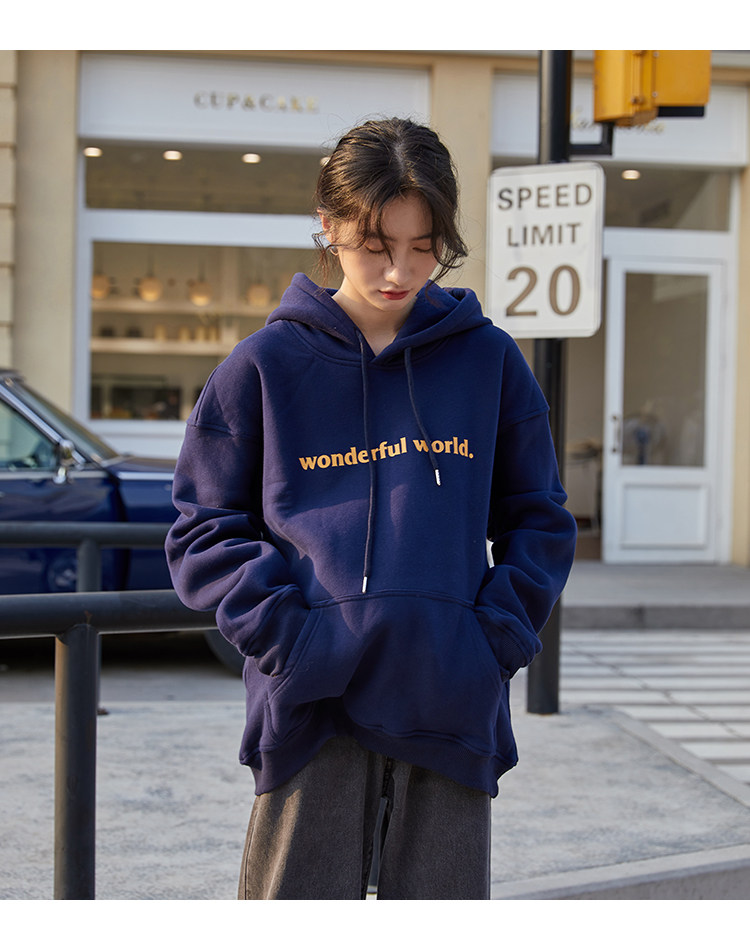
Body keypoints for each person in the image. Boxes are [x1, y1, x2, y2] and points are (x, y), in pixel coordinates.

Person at [165, 117, 577, 900]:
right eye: (375, 245)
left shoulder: (488, 361)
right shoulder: (264, 366)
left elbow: (540, 518)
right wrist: (291, 640)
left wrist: (491, 642)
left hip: (448, 701)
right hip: (312, 706)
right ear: (329, 226)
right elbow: (202, 528)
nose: (399, 270)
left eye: (423, 246)